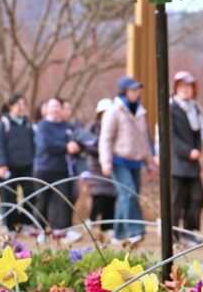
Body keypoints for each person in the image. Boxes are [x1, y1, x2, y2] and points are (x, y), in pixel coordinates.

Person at [99, 76, 154, 246]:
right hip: (118, 160)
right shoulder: (114, 111)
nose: (137, 93)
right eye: (133, 90)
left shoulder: (140, 112)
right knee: (128, 193)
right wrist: (105, 162)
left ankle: (118, 234)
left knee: (128, 196)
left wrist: (149, 163)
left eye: (138, 90)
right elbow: (106, 138)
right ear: (124, 92)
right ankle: (134, 231)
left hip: (135, 161)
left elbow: (144, 139)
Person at [34, 97, 82, 243]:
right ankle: (40, 230)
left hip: (62, 169)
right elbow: (46, 144)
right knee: (42, 200)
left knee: (63, 200)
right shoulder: (42, 126)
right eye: (52, 106)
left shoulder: (67, 126)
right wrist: (66, 147)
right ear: (47, 109)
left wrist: (75, 147)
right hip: (44, 168)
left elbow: (75, 141)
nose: (55, 109)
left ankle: (62, 230)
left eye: (57, 106)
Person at [0, 94, 37, 233]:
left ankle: (26, 222)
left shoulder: (28, 123)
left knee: (31, 194)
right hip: (9, 166)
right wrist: (1, 164)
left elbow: (33, 144)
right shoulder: (3, 123)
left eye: (24, 105)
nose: (22, 108)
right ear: (11, 106)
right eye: (19, 105)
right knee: (9, 196)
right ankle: (9, 225)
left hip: (27, 165)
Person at [169, 71, 203, 243]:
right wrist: (187, 151)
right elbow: (170, 137)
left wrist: (198, 149)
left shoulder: (194, 109)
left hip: (193, 165)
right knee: (176, 201)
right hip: (177, 164)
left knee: (198, 197)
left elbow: (199, 134)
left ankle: (188, 232)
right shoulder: (171, 108)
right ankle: (173, 235)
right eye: (182, 86)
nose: (185, 90)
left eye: (189, 87)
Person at [81, 98, 117, 235]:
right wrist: (102, 150)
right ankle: (91, 220)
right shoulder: (92, 127)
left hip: (112, 164)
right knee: (99, 195)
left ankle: (108, 226)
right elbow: (87, 143)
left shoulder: (115, 126)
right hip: (96, 166)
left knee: (111, 197)